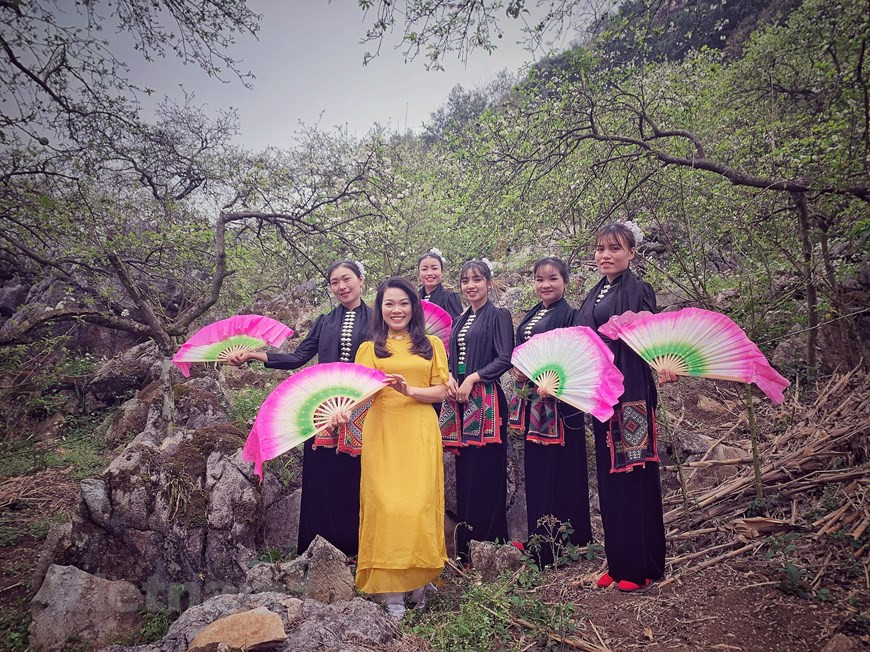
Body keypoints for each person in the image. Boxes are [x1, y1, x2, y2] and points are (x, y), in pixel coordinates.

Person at [227, 260, 372, 557]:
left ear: (361, 280)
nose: (342, 286)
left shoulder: (378, 319)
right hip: (321, 408)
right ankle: (319, 550)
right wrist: (254, 355)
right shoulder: (324, 321)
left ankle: (362, 548)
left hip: (364, 408)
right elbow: (297, 358)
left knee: (360, 476)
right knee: (322, 475)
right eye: (335, 282)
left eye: (347, 279)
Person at [339, 277, 449, 619]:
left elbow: (442, 391)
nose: (396, 309)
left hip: (419, 429)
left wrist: (409, 391)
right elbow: (360, 391)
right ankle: (391, 594)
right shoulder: (369, 349)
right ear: (380, 309)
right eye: (389, 304)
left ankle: (421, 578)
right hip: (383, 431)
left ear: (413, 307)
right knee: (386, 506)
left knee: (418, 504)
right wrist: (345, 408)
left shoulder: (431, 345)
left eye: (403, 303)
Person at [576, 222, 675, 592]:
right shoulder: (593, 293)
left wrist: (663, 364)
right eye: (600, 249)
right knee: (609, 476)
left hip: (631, 390)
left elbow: (652, 335)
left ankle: (642, 566)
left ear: (631, 253)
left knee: (634, 473)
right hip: (602, 395)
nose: (606, 255)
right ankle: (618, 563)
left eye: (615, 249)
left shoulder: (639, 289)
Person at [511, 257, 592, 568]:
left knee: (561, 470)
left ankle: (565, 541)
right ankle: (538, 535)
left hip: (560, 406)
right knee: (537, 469)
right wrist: (521, 372)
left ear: (565, 283)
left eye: (553, 278)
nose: (545, 284)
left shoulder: (570, 315)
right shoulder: (533, 315)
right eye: (540, 279)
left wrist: (555, 382)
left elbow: (575, 357)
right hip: (534, 401)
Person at [440, 259, 512, 563]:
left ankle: (491, 545)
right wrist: (453, 380)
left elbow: (506, 357)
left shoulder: (499, 316)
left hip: (487, 405)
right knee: (466, 475)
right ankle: (466, 549)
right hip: (461, 405)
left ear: (489, 283)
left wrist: (472, 377)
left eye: (477, 280)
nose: (471, 286)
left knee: (487, 474)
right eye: (465, 281)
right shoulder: (458, 321)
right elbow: (451, 359)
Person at [417, 248, 462, 318]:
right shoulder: (414, 298)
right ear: (419, 273)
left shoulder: (450, 297)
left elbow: (456, 325)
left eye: (434, 268)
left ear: (442, 272)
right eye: (424, 269)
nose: (429, 273)